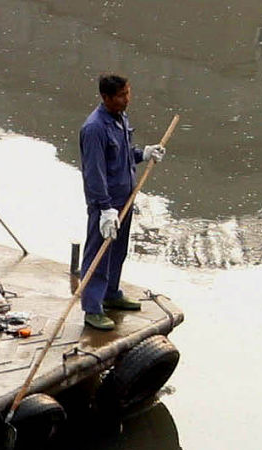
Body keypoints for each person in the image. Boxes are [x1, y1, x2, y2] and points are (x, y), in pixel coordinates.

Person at [78, 74, 166, 331]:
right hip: (106, 204)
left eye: (128, 93)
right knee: (98, 253)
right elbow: (94, 172)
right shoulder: (94, 128)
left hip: (125, 198)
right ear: (106, 98)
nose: (127, 99)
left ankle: (111, 293)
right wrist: (104, 208)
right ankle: (92, 308)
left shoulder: (120, 118)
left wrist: (145, 153)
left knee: (118, 250)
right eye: (121, 95)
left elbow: (123, 155)